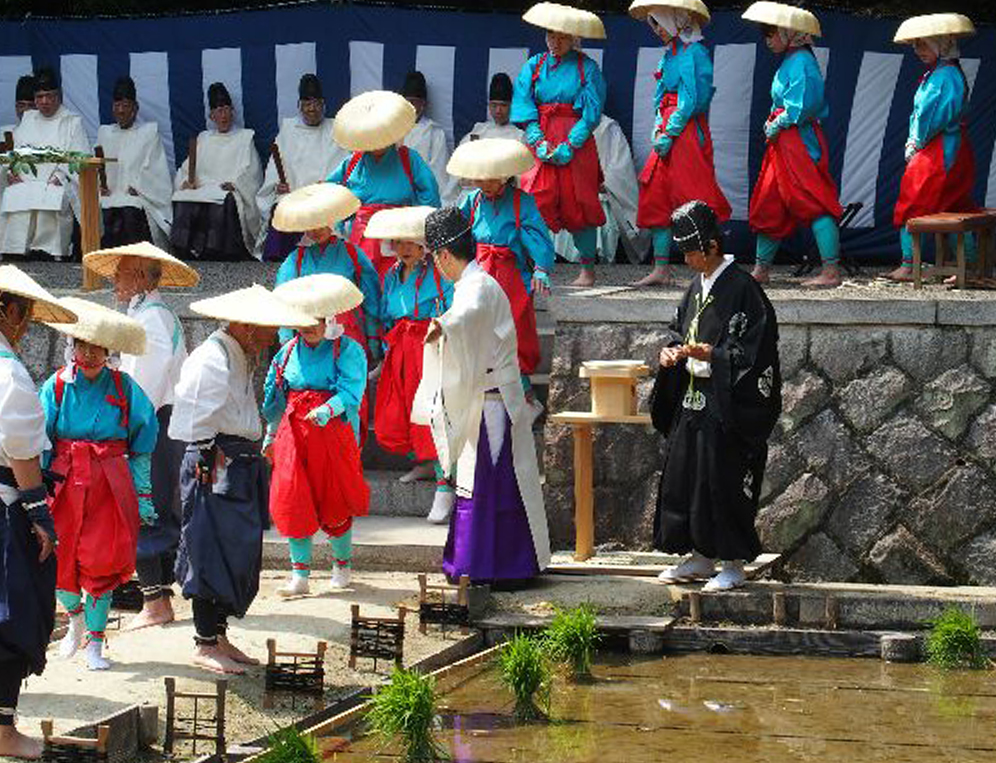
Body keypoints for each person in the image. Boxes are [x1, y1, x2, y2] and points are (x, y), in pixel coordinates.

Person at [170, 285, 315, 675]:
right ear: (248, 326)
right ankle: (203, 641)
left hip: (235, 460)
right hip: (214, 459)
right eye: (268, 328)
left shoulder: (237, 354)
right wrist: (204, 453)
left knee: (234, 548)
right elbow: (198, 412)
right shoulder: (212, 357)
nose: (273, 337)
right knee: (209, 546)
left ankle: (218, 635)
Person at [413, 207, 550, 586]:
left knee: (484, 483)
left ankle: (484, 565)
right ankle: (501, 563)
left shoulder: (477, 288)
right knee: (495, 482)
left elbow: (468, 316)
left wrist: (444, 324)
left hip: (491, 401)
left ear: (442, 255)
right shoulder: (477, 283)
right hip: (491, 397)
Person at [651, 201, 781, 592]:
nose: (687, 259)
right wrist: (672, 351)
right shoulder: (697, 286)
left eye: (691, 252)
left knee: (720, 479)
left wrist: (713, 355)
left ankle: (732, 563)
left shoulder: (744, 289)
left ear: (710, 246)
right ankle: (699, 556)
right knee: (685, 477)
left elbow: (757, 353)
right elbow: (679, 330)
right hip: (692, 401)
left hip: (726, 404)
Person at [82, 242, 197, 630]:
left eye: (122, 273)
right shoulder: (150, 314)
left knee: (144, 508)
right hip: (159, 421)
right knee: (158, 508)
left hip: (151, 422)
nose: (115, 279)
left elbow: (145, 382)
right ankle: (158, 597)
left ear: (141, 277)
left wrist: (126, 424)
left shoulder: (151, 318)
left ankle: (155, 602)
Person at [40, 298, 158, 670]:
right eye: (82, 346)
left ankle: (96, 644)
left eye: (97, 348)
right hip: (63, 480)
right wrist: (37, 495)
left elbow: (142, 443)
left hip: (109, 482)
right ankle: (74, 616)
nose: (89, 355)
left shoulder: (124, 388)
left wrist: (143, 495)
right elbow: (41, 442)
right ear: (72, 347)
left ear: (108, 351)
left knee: (101, 562)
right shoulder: (56, 386)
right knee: (57, 558)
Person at [0, 266, 74, 759]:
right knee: (13, 615)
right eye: (22, 313)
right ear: (10, 311)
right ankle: (3, 731)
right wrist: (37, 509)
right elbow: (20, 444)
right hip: (7, 505)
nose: (24, 323)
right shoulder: (7, 370)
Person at [264, 274, 370, 596]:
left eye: (315, 320)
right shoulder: (285, 354)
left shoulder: (347, 350)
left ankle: (342, 565)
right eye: (302, 320)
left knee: (333, 497)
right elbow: (275, 398)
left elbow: (353, 390)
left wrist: (328, 409)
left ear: (328, 318)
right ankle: (300, 576)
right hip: (294, 433)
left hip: (333, 433)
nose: (308, 327)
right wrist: (270, 435)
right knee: (294, 496)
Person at [363, 206, 455, 523]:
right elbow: (387, 313)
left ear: (422, 244)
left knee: (432, 411)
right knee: (403, 408)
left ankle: (445, 484)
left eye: (409, 242)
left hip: (428, 344)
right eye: (397, 242)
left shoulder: (439, 271)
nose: (402, 248)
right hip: (401, 347)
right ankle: (424, 461)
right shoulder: (391, 274)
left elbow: (451, 308)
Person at [630, 0, 731, 287]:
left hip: (685, 133)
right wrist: (657, 128)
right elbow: (660, 96)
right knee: (658, 194)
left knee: (695, 196)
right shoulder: (670, 54)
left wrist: (669, 132)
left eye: (660, 23)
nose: (657, 30)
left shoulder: (695, 52)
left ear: (676, 20)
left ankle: (713, 267)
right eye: (654, 24)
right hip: (667, 128)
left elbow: (689, 102)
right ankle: (661, 268)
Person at [742, 2, 842, 288]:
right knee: (769, 201)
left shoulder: (802, 62)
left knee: (813, 200)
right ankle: (761, 270)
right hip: (783, 141)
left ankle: (831, 272)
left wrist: (779, 121)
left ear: (789, 33)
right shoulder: (791, 60)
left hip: (798, 141)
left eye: (772, 33)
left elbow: (804, 105)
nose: (767, 39)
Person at [450, 139, 552, 411]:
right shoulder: (470, 202)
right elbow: (457, 235)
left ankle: (526, 396)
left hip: (511, 278)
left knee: (513, 334)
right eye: (481, 179)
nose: (485, 184)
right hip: (479, 276)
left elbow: (538, 237)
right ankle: (485, 395)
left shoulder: (522, 202)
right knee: (479, 332)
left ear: (505, 176)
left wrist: (541, 268)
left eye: (492, 179)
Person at [512, 2, 607, 288]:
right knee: (534, 198)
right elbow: (523, 104)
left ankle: (587, 270)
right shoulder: (534, 65)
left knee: (580, 202)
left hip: (575, 145)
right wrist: (538, 141)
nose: (555, 42)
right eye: (551, 35)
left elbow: (591, 114)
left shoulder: (587, 68)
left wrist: (569, 145)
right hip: (540, 139)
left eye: (563, 37)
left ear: (575, 38)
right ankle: (535, 265)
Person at [889, 14, 978, 283]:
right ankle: (969, 266)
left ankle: (908, 265)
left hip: (938, 148)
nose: (918, 51)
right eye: (916, 45)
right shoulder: (942, 73)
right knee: (949, 206)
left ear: (940, 43)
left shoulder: (945, 75)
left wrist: (915, 141)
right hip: (944, 146)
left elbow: (931, 115)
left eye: (924, 44)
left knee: (912, 201)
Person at [329, 90, 441, 279]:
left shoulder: (408, 158)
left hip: (401, 234)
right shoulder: (353, 162)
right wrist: (343, 226)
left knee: (399, 282)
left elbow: (429, 194)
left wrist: (417, 227)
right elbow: (333, 193)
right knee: (366, 284)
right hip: (363, 234)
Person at [256, 74, 349, 262]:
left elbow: (345, 167)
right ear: (299, 106)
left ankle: (326, 254)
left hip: (323, 194)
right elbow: (276, 166)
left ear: (323, 105)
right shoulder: (289, 130)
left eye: (316, 104)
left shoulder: (335, 129)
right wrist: (277, 185)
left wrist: (330, 185)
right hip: (293, 193)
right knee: (283, 207)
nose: (312, 109)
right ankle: (283, 254)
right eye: (307, 104)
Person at [0, 68, 89, 261]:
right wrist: (13, 170)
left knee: (51, 194)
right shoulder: (29, 118)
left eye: (49, 96)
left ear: (58, 96)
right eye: (39, 97)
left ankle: (49, 251)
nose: (44, 102)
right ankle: (16, 248)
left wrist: (60, 177)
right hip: (26, 181)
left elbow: (78, 158)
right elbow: (17, 153)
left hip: (56, 181)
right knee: (15, 192)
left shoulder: (72, 122)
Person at [171, 82, 262, 261]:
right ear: (211, 116)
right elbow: (186, 168)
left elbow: (251, 171)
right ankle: (183, 248)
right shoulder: (203, 138)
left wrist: (236, 184)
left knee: (224, 198)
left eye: (227, 109)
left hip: (227, 188)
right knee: (184, 195)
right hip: (204, 188)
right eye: (219, 111)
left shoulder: (245, 137)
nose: (224, 115)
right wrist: (185, 181)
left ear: (233, 111)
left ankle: (215, 249)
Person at [553, 114, 650, 269]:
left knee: (595, 213)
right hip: (568, 193)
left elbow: (620, 170)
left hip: (601, 195)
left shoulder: (607, 127)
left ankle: (590, 262)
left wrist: (595, 183)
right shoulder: (560, 122)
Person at [96, 76, 173, 250]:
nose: (121, 111)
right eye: (117, 106)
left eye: (126, 105)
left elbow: (156, 169)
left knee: (129, 207)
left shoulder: (148, 133)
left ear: (135, 108)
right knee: (102, 208)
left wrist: (139, 187)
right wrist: (100, 186)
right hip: (110, 194)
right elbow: (96, 166)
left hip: (138, 194)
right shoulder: (105, 133)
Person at [401, 71, 459, 206]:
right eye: (408, 102)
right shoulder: (393, 130)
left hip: (423, 198)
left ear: (423, 104)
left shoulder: (434, 133)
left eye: (415, 102)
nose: (411, 107)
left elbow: (439, 175)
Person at [0, 75, 36, 209]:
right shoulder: (4, 135)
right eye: (21, 105)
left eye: (30, 106)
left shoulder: (52, 137)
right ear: (15, 107)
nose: (25, 111)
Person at [458, 73, 525, 145]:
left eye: (503, 105)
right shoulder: (478, 130)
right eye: (494, 105)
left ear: (511, 106)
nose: (498, 111)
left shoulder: (519, 137)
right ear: (489, 106)